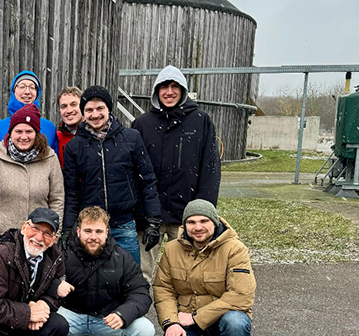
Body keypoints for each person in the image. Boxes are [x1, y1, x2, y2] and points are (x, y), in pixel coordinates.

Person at [132, 65, 221, 283]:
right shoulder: (142, 124)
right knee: (141, 273)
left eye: (174, 87)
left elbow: (210, 169)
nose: (169, 92)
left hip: (186, 215)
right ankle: (139, 305)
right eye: (164, 87)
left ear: (183, 90)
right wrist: (140, 211)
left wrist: (203, 212)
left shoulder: (200, 121)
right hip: (150, 216)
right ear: (156, 91)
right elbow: (133, 171)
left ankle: (184, 307)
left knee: (187, 275)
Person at [62, 85, 161, 264]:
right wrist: (68, 227)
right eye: (89, 110)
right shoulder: (74, 147)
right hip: (91, 226)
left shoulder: (131, 138)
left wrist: (153, 219)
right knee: (92, 277)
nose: (95, 114)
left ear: (109, 109)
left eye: (100, 108)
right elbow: (72, 192)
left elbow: (147, 181)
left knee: (130, 275)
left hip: (124, 225)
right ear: (83, 113)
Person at [0, 207, 69, 336]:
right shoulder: (1, 254)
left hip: (18, 321)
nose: (39, 237)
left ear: (54, 240)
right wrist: (28, 314)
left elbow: (57, 293)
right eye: (35, 228)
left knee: (58, 325)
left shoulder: (55, 258)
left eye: (47, 233)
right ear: (24, 228)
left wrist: (43, 305)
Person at [153, 199, 255, 336]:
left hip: (222, 317)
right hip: (185, 319)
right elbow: (163, 289)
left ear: (214, 222)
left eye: (204, 221)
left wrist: (196, 317)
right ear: (184, 225)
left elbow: (241, 296)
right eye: (191, 222)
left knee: (235, 322)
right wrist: (171, 323)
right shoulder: (172, 249)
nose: (198, 227)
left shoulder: (235, 249)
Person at [0, 103, 64, 252]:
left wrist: (54, 232)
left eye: (29, 131)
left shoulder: (49, 158)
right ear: (10, 132)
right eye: (18, 131)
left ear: (37, 133)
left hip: (39, 240)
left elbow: (57, 199)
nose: (24, 137)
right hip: (3, 239)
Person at [57, 206, 155, 336]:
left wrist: (123, 314)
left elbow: (140, 292)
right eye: (88, 231)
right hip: (70, 315)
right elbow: (41, 284)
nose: (93, 237)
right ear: (78, 231)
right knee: (43, 324)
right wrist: (56, 285)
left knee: (145, 329)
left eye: (99, 231)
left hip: (108, 318)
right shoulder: (62, 254)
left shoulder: (122, 257)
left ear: (106, 232)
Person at [0, 70, 58, 164]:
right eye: (22, 87)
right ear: (13, 91)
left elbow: (54, 162)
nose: (27, 92)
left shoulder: (49, 127)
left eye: (32, 87)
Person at [55, 86, 83, 167]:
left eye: (73, 104)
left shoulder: (94, 135)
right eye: (64, 106)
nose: (69, 110)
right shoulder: (56, 138)